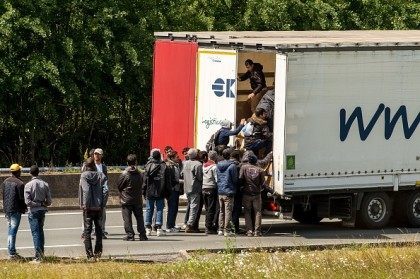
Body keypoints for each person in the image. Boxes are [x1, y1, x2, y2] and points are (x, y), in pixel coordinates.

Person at [79, 158, 108, 260]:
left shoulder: (84, 176)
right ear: (94, 166)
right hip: (99, 207)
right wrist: (102, 203)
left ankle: (89, 255)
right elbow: (106, 190)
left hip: (88, 208)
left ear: (86, 166)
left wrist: (85, 205)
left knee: (87, 231)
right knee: (99, 231)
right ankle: (98, 253)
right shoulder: (101, 175)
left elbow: (86, 191)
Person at [24, 165, 52, 262]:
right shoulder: (45, 184)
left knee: (35, 233)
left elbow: (27, 202)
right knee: (40, 231)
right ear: (38, 172)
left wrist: (36, 203)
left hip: (33, 211)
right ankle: (42, 254)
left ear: (30, 173)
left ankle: (38, 257)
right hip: (42, 210)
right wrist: (42, 203)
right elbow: (49, 202)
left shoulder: (28, 185)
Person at [117, 154, 148, 241]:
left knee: (127, 219)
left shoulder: (125, 174)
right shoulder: (139, 173)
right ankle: (142, 235)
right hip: (137, 199)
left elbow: (119, 185)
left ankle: (130, 235)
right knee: (139, 218)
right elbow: (142, 183)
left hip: (126, 199)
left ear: (127, 163)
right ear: (136, 162)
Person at [143, 149, 171, 237]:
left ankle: (148, 228)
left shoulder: (148, 166)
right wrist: (168, 193)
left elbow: (144, 181)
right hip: (161, 191)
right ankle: (158, 228)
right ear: (159, 156)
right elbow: (168, 181)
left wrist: (143, 191)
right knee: (159, 209)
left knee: (149, 209)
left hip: (150, 191)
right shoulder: (164, 166)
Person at [1, 164, 26, 260]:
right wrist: (24, 208)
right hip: (15, 210)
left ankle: (10, 250)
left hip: (7, 209)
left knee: (10, 230)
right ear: (18, 172)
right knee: (13, 231)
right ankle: (12, 253)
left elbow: (3, 196)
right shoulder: (20, 183)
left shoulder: (5, 181)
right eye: (20, 170)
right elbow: (21, 198)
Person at [239, 154, 266, 237]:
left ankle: (249, 231)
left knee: (247, 212)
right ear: (256, 161)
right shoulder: (260, 170)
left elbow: (240, 178)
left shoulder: (244, 168)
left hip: (246, 193)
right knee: (258, 212)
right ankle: (257, 231)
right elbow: (263, 183)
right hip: (257, 194)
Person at [216, 149, 238, 236]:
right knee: (228, 211)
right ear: (229, 156)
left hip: (220, 190)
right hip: (229, 190)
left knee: (221, 211)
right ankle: (227, 230)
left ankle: (220, 229)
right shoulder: (232, 166)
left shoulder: (218, 165)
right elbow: (235, 179)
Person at [182, 148, 203, 233]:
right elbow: (200, 177)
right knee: (194, 207)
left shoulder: (185, 163)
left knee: (190, 206)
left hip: (187, 187)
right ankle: (190, 224)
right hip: (195, 187)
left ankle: (187, 222)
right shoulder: (198, 164)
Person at [93, 148, 109, 239]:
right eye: (95, 154)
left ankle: (101, 231)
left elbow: (106, 180)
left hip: (101, 191)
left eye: (98, 154)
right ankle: (92, 230)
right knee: (92, 212)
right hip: (93, 192)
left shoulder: (103, 167)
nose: (96, 155)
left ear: (101, 155)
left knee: (102, 212)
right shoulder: (91, 166)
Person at [202, 151, 218, 234]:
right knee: (211, 208)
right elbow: (216, 179)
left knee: (207, 208)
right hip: (211, 188)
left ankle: (206, 225)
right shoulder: (214, 166)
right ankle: (209, 227)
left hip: (204, 187)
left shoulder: (204, 165)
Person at [165, 151, 181, 233]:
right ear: (172, 158)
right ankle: (169, 226)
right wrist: (179, 181)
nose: (178, 158)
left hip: (176, 189)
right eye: (176, 157)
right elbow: (171, 180)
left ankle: (172, 224)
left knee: (175, 208)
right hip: (172, 190)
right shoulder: (170, 166)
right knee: (172, 208)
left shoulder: (175, 165)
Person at [230, 150, 242, 234]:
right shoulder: (238, 166)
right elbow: (239, 179)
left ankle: (227, 227)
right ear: (238, 157)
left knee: (227, 210)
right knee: (236, 210)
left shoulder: (223, 164)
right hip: (237, 190)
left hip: (227, 189)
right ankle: (235, 228)